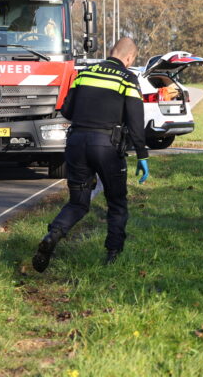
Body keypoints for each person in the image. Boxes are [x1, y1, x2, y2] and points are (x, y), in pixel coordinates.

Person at [32, 37, 149, 272]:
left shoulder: (84, 74)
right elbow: (136, 121)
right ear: (130, 58)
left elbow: (66, 110)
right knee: (116, 202)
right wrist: (142, 155)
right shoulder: (127, 77)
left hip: (76, 144)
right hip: (106, 146)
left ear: (110, 51)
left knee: (78, 202)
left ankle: (53, 235)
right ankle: (113, 255)